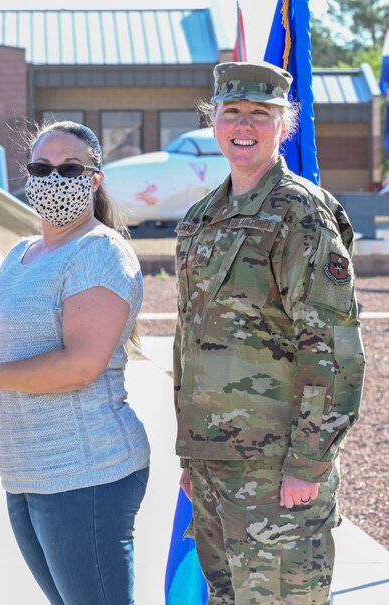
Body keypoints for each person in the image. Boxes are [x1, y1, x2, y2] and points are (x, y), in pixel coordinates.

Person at [0, 121, 150, 604]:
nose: (53, 179)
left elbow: (80, 365)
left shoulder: (99, 253)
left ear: (95, 179)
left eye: (70, 169)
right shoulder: (24, 251)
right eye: (42, 168)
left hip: (85, 472)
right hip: (25, 472)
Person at [173, 62, 365, 604]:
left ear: (286, 126)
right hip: (215, 468)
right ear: (214, 121)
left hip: (277, 471)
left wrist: (308, 464)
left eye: (261, 114)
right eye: (231, 111)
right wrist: (193, 458)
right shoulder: (201, 217)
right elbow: (192, 344)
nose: (244, 125)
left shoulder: (300, 213)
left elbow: (333, 350)